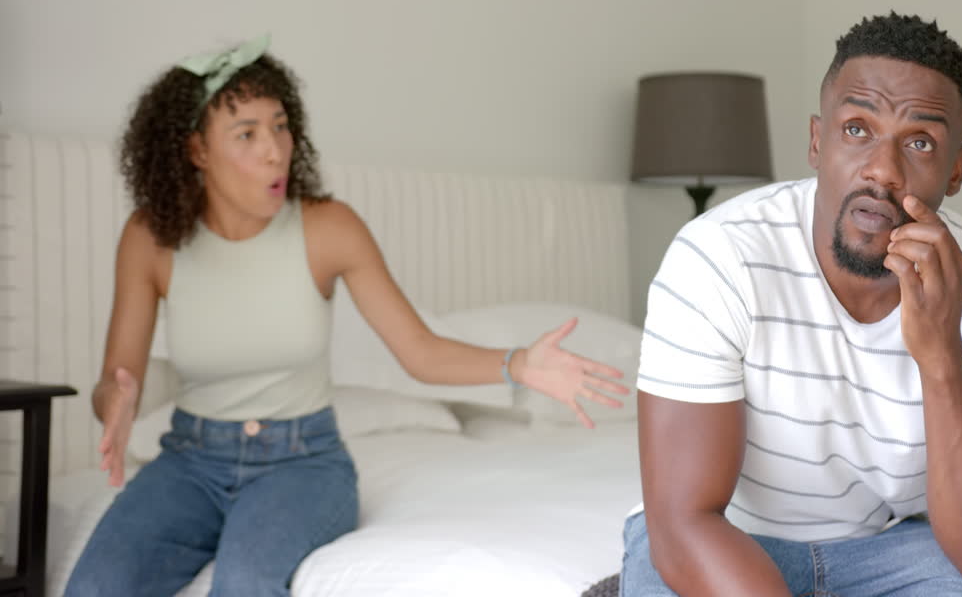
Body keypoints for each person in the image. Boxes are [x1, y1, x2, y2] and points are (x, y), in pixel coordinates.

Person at [65, 34, 630, 597]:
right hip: (189, 462)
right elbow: (117, 381)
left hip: (301, 465)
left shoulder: (328, 229)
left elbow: (421, 353)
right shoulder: (151, 238)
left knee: (246, 584)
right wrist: (115, 403)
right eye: (247, 134)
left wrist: (520, 363)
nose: (275, 150)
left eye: (281, 126)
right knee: (94, 586)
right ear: (197, 152)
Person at [623, 13, 962, 597]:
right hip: (727, 539)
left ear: (956, 170)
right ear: (817, 141)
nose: (882, 169)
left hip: (895, 549)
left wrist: (941, 354)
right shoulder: (717, 256)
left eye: (919, 142)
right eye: (857, 129)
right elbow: (682, 523)